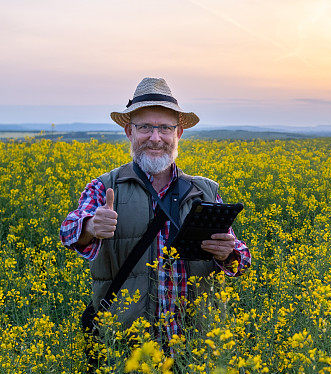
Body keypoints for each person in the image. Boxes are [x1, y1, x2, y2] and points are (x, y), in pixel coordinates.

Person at [60, 77, 251, 340]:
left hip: (193, 349)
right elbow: (69, 232)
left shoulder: (204, 191)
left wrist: (227, 253)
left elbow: (241, 259)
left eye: (164, 128)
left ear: (178, 134)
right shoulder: (105, 187)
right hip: (129, 347)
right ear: (129, 132)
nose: (155, 138)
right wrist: (91, 225)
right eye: (145, 127)